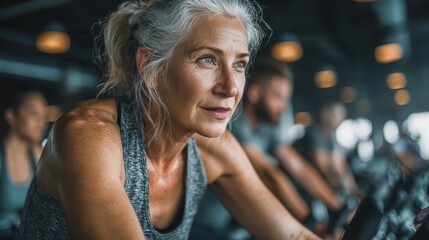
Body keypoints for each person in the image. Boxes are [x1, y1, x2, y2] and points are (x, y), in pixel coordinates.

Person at [16, 1, 320, 239]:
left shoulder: (213, 150)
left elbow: (294, 234)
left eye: (239, 64)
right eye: (207, 60)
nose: (230, 87)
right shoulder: (88, 135)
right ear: (150, 65)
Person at [230, 59, 343, 220]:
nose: (284, 107)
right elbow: (269, 174)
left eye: (286, 99)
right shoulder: (236, 121)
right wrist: (311, 223)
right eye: (278, 97)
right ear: (255, 94)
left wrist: (339, 207)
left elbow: (298, 166)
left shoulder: (267, 124)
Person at [0, 91, 47, 239]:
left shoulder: (38, 153)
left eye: (43, 117)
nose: (41, 123)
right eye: (34, 114)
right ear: (11, 116)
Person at [307, 101, 359, 196]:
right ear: (325, 114)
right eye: (336, 115)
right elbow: (325, 168)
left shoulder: (332, 136)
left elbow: (341, 165)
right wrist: (344, 189)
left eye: (341, 116)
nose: (339, 120)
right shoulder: (315, 134)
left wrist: (354, 191)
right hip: (308, 188)